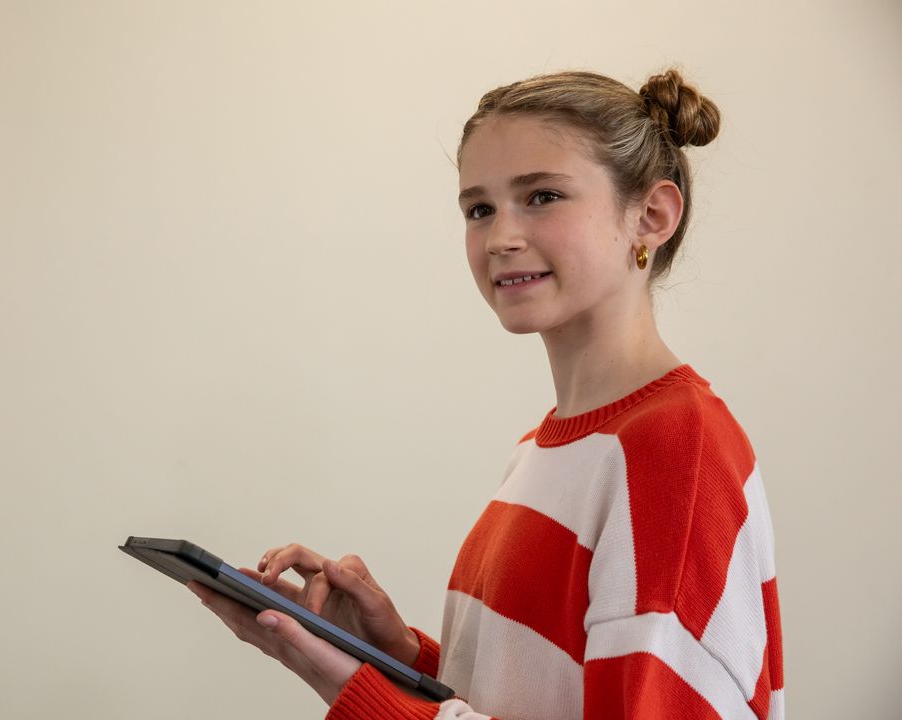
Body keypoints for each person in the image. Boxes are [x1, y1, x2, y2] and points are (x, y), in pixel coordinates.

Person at [187, 67, 785, 720]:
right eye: (479, 209)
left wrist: (361, 696)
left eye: (542, 196)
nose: (501, 238)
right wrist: (397, 657)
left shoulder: (675, 452)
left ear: (651, 216)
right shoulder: (547, 449)